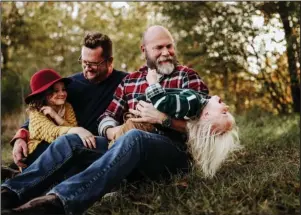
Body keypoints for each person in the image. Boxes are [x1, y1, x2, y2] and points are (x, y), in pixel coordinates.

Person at [1, 25, 209, 215]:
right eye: (158, 48)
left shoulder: (186, 76)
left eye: (169, 46)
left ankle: (56, 203)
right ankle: (10, 192)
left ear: (109, 62)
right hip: (122, 149)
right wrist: (112, 131)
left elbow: (207, 126)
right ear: (144, 50)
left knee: (135, 136)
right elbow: (105, 116)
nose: (166, 52)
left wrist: (163, 120)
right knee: (72, 140)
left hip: (169, 152)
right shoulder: (128, 81)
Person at [5, 32, 127, 173]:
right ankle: (16, 175)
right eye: (84, 62)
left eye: (93, 64)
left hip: (98, 146)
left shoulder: (125, 82)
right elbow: (39, 110)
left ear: (109, 61)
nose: (87, 68)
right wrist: (21, 136)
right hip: (67, 143)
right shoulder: (70, 85)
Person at [111, 68, 241, 177]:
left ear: (206, 115)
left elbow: (162, 101)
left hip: (141, 124)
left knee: (115, 150)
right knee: (114, 148)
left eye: (224, 113)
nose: (227, 107)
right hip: (142, 123)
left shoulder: (192, 102)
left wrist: (153, 82)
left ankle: (112, 172)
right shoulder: (193, 107)